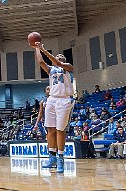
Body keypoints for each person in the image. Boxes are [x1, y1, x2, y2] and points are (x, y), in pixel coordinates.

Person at [33, 42, 74, 173]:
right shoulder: (51, 70)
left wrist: (44, 49)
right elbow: (40, 62)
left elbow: (58, 63)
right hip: (52, 99)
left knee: (60, 130)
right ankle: (52, 157)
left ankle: (61, 158)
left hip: (64, 100)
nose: (59, 56)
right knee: (50, 129)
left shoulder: (68, 67)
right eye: (58, 55)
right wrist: (37, 49)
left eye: (61, 55)